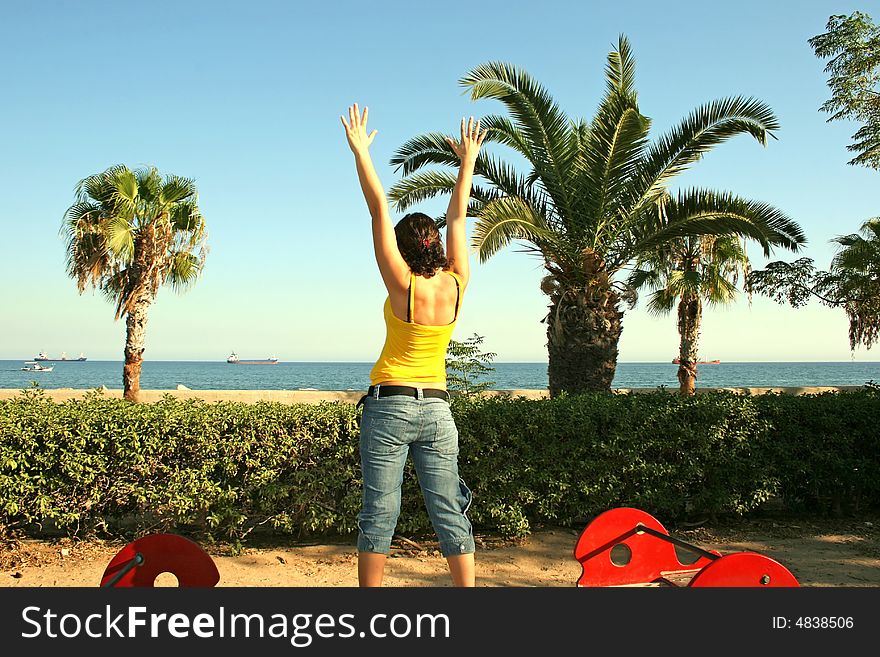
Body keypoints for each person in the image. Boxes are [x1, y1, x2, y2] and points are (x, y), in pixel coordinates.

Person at [340, 103, 487, 587]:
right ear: (436, 245)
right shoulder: (457, 284)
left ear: (403, 251)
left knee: (379, 514)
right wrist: (467, 161)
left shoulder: (402, 286)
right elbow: (459, 217)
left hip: (391, 407)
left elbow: (379, 207)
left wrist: (361, 151)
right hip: (439, 412)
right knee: (449, 511)